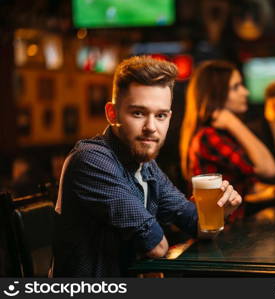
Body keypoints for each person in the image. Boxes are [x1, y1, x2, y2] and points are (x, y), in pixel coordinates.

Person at [52, 56, 242, 277]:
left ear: (169, 117)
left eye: (160, 115)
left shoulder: (146, 164)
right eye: (138, 113)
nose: (151, 127)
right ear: (112, 114)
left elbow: (197, 225)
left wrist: (219, 213)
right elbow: (156, 247)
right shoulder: (91, 160)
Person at [180, 60, 275, 206]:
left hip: (229, 224)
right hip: (220, 225)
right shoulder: (208, 136)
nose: (246, 92)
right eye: (236, 87)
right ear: (217, 94)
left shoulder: (222, 133)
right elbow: (270, 170)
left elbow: (248, 187)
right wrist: (233, 122)